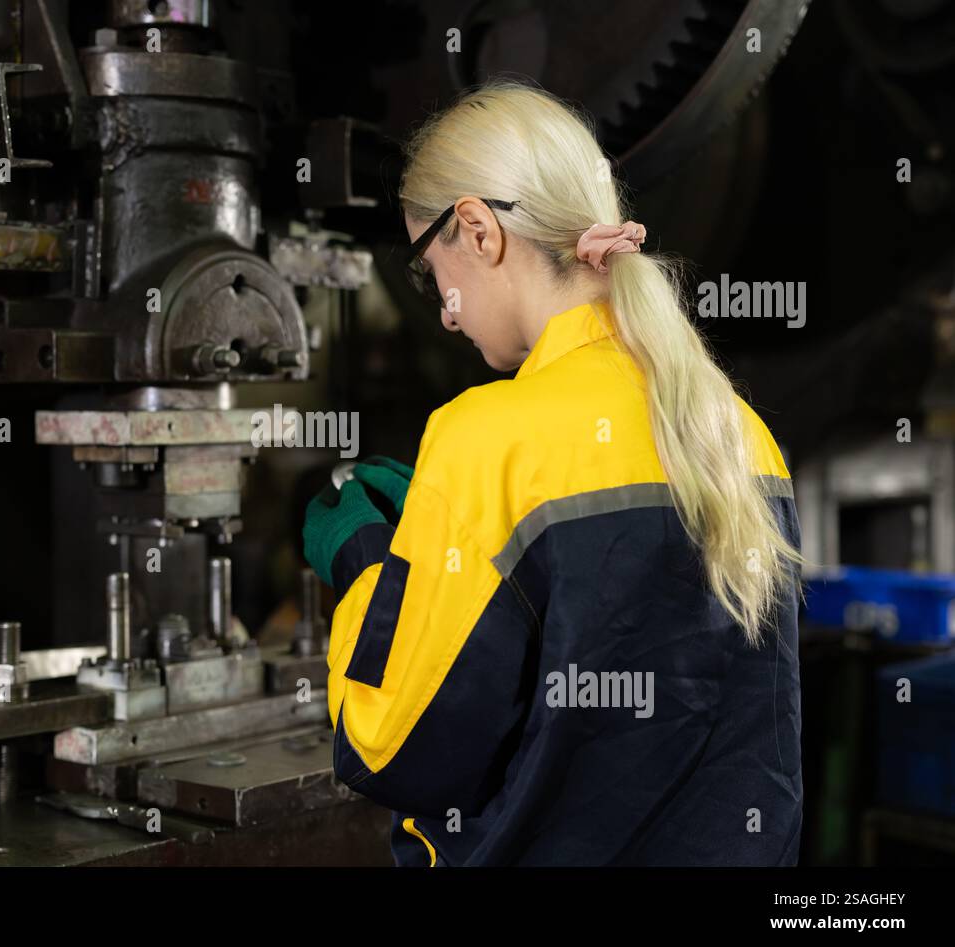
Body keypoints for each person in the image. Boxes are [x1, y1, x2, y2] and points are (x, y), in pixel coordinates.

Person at [301, 81, 803, 866]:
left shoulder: (484, 437)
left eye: (435, 273)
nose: (446, 313)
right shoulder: (740, 433)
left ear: (477, 229)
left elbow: (388, 748)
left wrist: (367, 563)